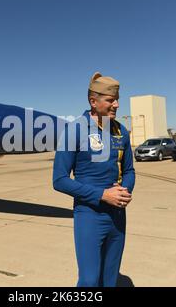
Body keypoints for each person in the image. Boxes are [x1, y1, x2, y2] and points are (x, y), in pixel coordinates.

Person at [53, 72, 135, 287]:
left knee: (110, 280)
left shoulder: (121, 131)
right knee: (89, 281)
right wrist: (102, 195)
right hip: (89, 215)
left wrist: (124, 191)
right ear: (93, 101)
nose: (116, 105)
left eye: (117, 99)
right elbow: (59, 179)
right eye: (110, 100)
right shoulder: (74, 130)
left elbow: (129, 170)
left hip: (117, 214)